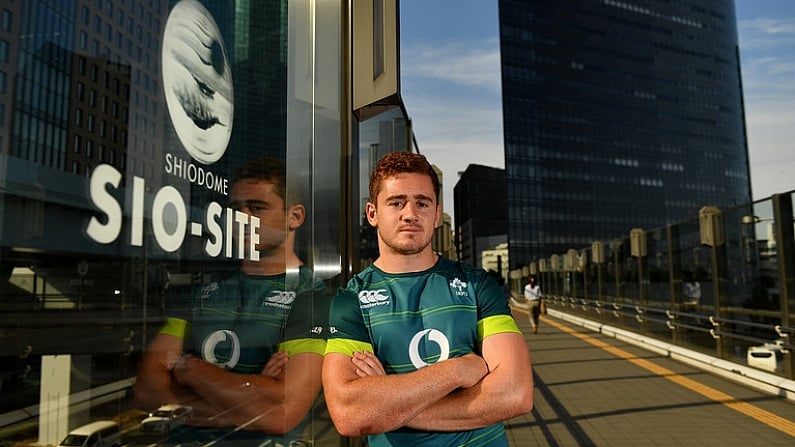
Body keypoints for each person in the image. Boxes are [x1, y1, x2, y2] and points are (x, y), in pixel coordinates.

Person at [322, 152, 533, 447]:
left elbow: (515, 394)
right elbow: (349, 415)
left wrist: (387, 404)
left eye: (422, 203)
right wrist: (456, 371)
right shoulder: (352, 299)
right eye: (396, 203)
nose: (410, 213)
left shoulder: (477, 285)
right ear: (372, 214)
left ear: (436, 215)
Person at [133, 157, 332, 446]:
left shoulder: (311, 297)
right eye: (235, 209)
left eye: (256, 208)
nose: (242, 219)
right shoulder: (207, 289)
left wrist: (189, 369)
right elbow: (147, 390)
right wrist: (249, 397)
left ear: (295, 217)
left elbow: (280, 412)